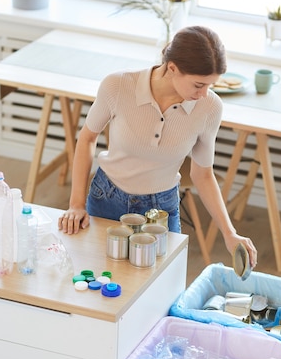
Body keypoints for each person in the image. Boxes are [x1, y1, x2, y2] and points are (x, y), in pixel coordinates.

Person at [58, 25, 257, 267]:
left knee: (160, 290)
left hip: (161, 208)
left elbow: (202, 174)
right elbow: (87, 138)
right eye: (198, 85)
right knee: (98, 278)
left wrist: (229, 233)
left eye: (210, 85)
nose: (204, 94)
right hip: (107, 197)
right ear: (172, 68)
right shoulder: (118, 86)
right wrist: (76, 204)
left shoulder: (210, 108)